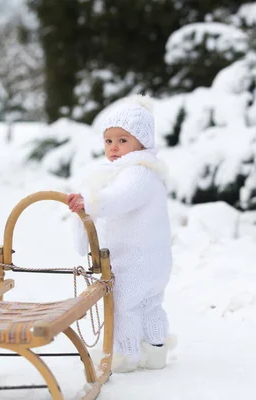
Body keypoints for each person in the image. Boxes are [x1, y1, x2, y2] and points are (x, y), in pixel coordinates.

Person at [66, 94, 174, 373]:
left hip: (136, 263)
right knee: (150, 305)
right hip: (152, 260)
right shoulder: (134, 171)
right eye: (108, 141)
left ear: (142, 142)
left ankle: (125, 356)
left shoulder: (139, 172)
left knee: (123, 305)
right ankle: (156, 350)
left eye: (123, 140)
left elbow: (120, 199)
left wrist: (90, 204)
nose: (114, 148)